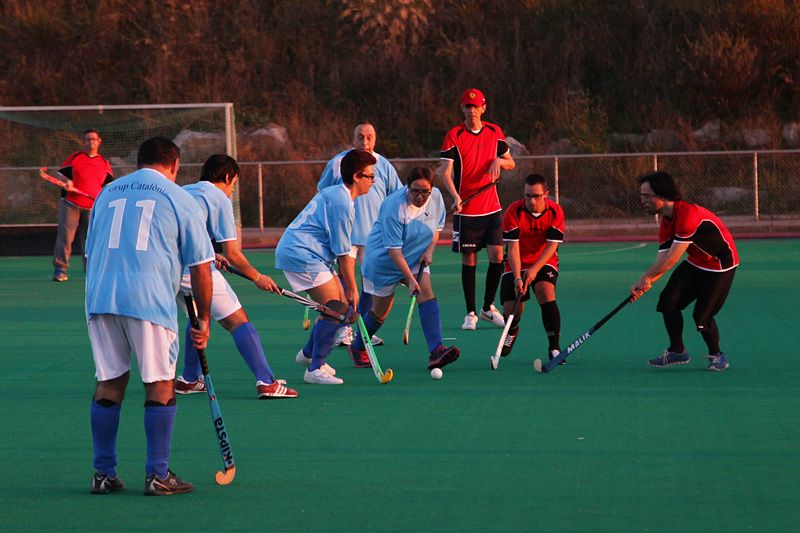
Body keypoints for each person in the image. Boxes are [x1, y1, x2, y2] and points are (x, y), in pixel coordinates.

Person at [85, 136, 214, 496]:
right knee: (159, 383)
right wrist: (202, 321)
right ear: (175, 165)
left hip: (100, 297)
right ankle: (157, 474)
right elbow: (202, 269)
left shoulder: (106, 194)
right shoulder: (179, 198)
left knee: (109, 381)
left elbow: (88, 254)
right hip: (148, 300)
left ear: (139, 162)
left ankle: (103, 473)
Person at [174, 155, 298, 399]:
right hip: (194, 270)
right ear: (228, 177)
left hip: (166, 270)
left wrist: (210, 254)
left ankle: (189, 379)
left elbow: (184, 232)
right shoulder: (218, 198)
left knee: (196, 316)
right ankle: (266, 382)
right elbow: (233, 252)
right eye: (234, 184)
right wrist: (257, 277)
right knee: (238, 321)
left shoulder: (182, 191)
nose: (232, 191)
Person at [276, 149, 376, 384]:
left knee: (340, 308)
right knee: (337, 307)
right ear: (355, 176)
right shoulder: (343, 202)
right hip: (301, 253)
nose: (373, 181)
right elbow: (343, 253)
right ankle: (315, 368)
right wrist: (352, 287)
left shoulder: (338, 194)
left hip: (310, 253)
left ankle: (309, 353)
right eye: (369, 176)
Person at [349, 167, 460, 370]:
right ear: (407, 188)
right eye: (414, 191)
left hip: (415, 255)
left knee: (427, 293)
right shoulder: (394, 207)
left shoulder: (435, 197)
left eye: (424, 191)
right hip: (383, 262)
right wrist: (410, 279)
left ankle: (436, 350)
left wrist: (430, 251)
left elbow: (436, 227)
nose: (419, 196)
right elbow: (394, 252)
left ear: (432, 189)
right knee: (380, 312)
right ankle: (357, 346)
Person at [631, 171, 738, 371]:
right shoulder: (666, 222)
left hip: (720, 265)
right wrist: (647, 282)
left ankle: (717, 355)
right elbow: (662, 259)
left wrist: (646, 277)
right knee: (668, 301)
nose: (642, 200)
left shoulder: (687, 214)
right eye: (641, 195)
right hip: (697, 261)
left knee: (701, 316)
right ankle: (678, 351)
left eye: (646, 196)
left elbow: (672, 259)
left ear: (662, 196)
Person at [317, 122, 402, 347]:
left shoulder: (383, 165)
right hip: (345, 236)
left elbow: (397, 198)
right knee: (347, 284)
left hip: (373, 237)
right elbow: (323, 192)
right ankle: (344, 330)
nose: (365, 142)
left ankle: (364, 329)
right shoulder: (338, 163)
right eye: (360, 137)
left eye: (369, 137)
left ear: (375, 139)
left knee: (369, 285)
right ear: (353, 138)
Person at [438, 88, 516, 330]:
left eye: (476, 106)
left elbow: (511, 163)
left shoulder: (494, 132)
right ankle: (470, 312)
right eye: (468, 107)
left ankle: (487, 308)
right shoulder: (454, 135)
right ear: (463, 109)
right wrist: (455, 195)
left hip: (491, 208)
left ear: (483, 108)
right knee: (469, 259)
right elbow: (444, 171)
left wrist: (498, 161)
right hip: (466, 210)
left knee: (498, 257)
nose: (472, 111)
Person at [498, 174, 565, 364]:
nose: (532, 201)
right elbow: (513, 247)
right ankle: (512, 329)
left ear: (546, 195)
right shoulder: (514, 211)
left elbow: (552, 245)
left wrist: (534, 270)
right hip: (516, 261)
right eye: (528, 196)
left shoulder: (555, 211)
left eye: (536, 196)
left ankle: (554, 348)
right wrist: (518, 278)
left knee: (545, 291)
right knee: (513, 308)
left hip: (544, 260)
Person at [51, 129, 114, 281]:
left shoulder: (104, 163)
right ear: (83, 142)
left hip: (92, 207)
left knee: (90, 239)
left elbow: (108, 184)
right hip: (71, 203)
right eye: (87, 139)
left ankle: (91, 270)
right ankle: (60, 269)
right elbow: (59, 174)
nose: (90, 142)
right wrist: (67, 182)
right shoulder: (75, 158)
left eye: (93, 139)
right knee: (66, 236)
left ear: (99, 141)